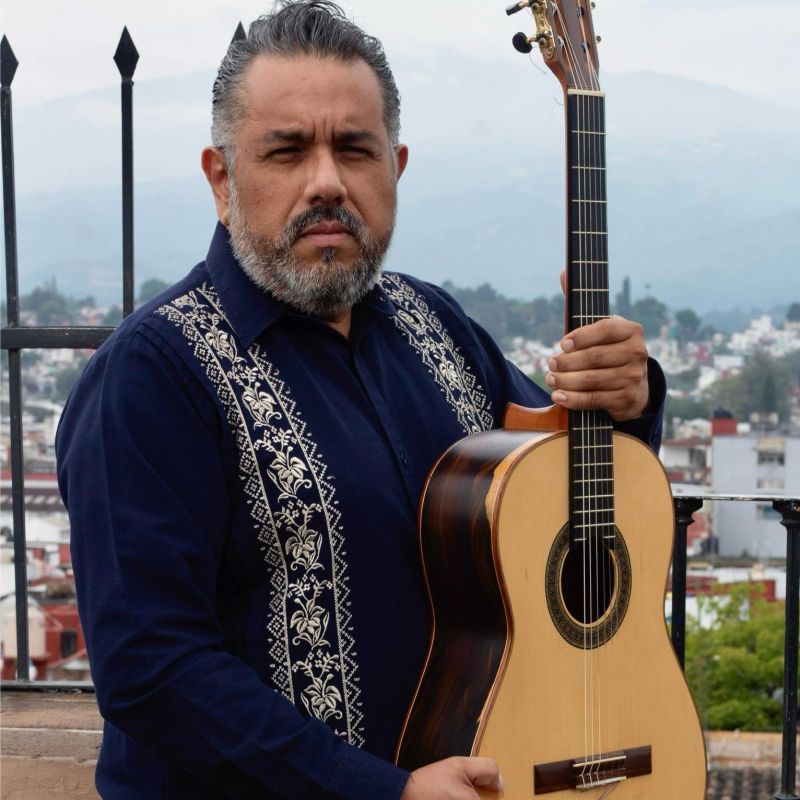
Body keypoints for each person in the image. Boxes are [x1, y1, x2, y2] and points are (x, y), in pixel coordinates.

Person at [56, 2, 664, 798]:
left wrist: (626, 398)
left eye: (354, 148)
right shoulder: (153, 374)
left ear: (395, 168)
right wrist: (382, 790)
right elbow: (152, 668)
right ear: (221, 179)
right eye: (286, 151)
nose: (327, 182)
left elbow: (566, 501)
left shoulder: (436, 325)